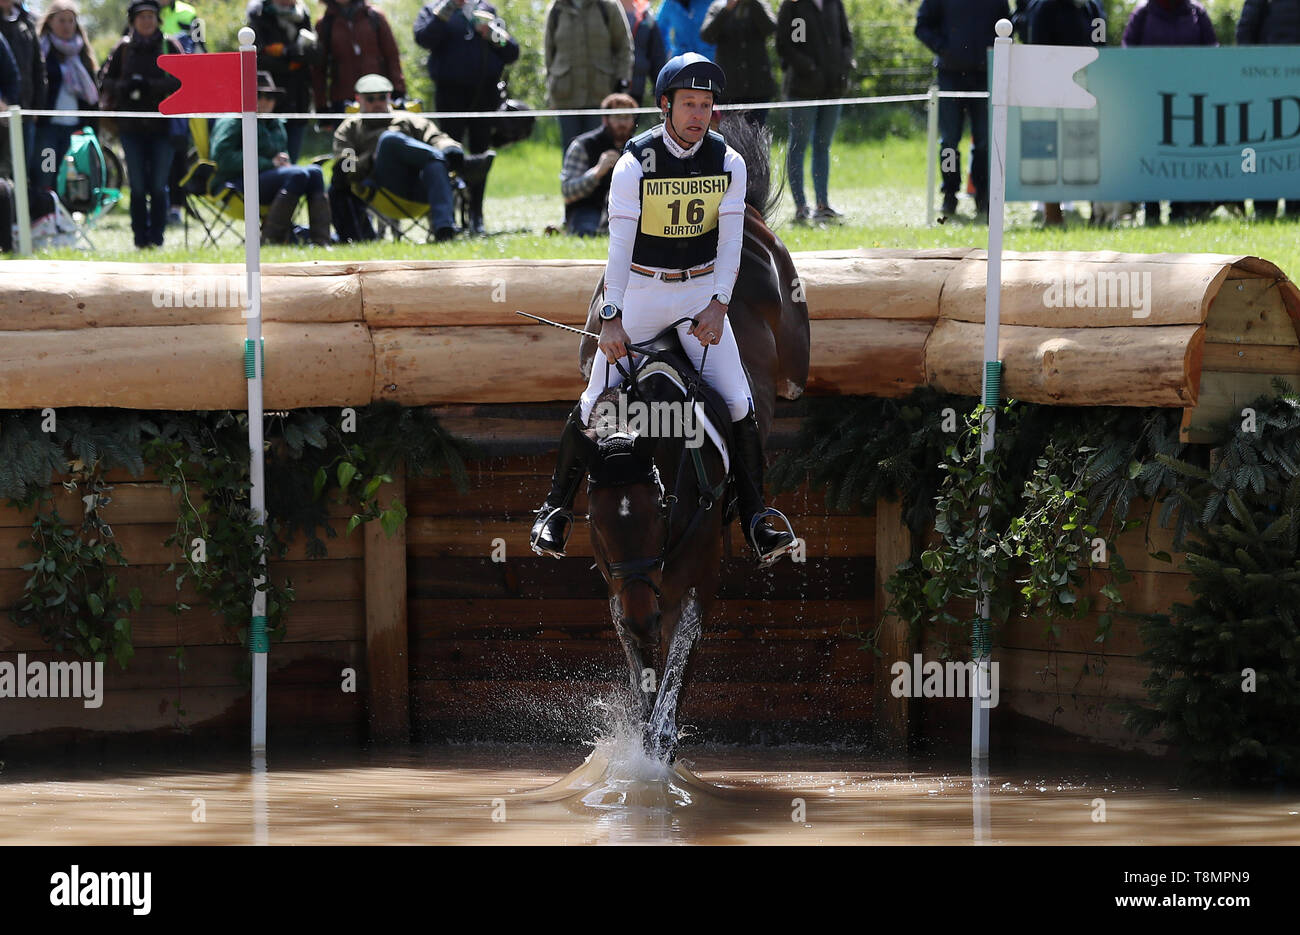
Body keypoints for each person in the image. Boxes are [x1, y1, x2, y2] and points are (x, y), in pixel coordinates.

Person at [530, 53, 798, 567]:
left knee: (740, 401)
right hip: (642, 294)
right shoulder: (635, 162)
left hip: (699, 292)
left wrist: (719, 306)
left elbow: (729, 242)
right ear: (665, 107)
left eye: (706, 105)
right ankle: (555, 511)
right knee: (591, 403)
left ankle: (758, 517)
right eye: (688, 104)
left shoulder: (728, 162)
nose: (698, 114)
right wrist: (612, 316)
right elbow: (620, 243)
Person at [331, 73, 491, 242]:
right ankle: (463, 166)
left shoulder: (408, 119)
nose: (377, 103)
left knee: (434, 164)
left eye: (381, 97)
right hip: (383, 189)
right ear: (359, 99)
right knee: (389, 140)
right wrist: (371, 159)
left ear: (389, 97)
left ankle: (444, 230)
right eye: (370, 99)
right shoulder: (349, 128)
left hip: (421, 187)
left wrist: (451, 149)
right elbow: (346, 166)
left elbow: (437, 138)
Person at [414, 0, 518, 234]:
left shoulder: (487, 11)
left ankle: (476, 215)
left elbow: (510, 51)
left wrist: (491, 34)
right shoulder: (434, 9)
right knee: (449, 154)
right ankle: (447, 217)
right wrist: (446, 12)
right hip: (450, 96)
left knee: (482, 157)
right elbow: (424, 38)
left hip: (485, 96)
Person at [1122, 0, 1216, 225]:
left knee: (1182, 151)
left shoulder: (1197, 12)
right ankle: (1151, 209)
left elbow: (1213, 52)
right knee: (1150, 151)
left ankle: (1180, 208)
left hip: (1187, 97)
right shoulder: (1143, 13)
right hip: (1150, 97)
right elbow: (1127, 51)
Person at [915, 0, 1009, 223]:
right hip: (950, 75)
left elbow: (1008, 24)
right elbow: (922, 26)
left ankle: (983, 193)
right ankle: (949, 193)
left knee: (985, 140)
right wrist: (944, 48)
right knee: (949, 141)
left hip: (984, 74)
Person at [98, 0, 183, 248]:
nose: (147, 21)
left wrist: (151, 87)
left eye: (151, 16)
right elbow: (104, 81)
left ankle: (157, 238)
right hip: (131, 128)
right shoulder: (123, 48)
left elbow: (182, 80)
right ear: (133, 21)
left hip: (163, 128)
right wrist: (126, 86)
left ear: (158, 19)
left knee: (158, 185)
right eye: (142, 17)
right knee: (136, 185)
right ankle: (139, 239)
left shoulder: (170, 45)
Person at [211, 71, 330, 245]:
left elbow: (280, 154)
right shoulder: (233, 120)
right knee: (297, 174)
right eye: (259, 95)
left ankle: (321, 242)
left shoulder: (276, 123)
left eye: (271, 96)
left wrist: (282, 161)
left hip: (270, 180)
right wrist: (268, 163)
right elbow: (222, 158)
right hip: (235, 183)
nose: (266, 101)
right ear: (247, 96)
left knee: (315, 172)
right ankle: (270, 239)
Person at [1025, 0, 1104, 227]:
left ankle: (1096, 212)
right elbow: (1037, 53)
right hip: (1055, 90)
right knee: (1052, 151)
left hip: (1088, 87)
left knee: (1090, 148)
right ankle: (1052, 214)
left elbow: (1102, 46)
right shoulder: (1043, 8)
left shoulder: (1092, 8)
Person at [777, 0, 854, 224]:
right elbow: (785, 45)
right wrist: (809, 69)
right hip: (802, 89)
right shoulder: (792, 5)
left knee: (823, 145)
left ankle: (823, 204)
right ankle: (801, 206)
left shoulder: (834, 3)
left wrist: (844, 63)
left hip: (833, 88)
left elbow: (846, 38)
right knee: (798, 146)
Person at [1236, 0, 1300, 219]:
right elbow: (1245, 32)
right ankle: (1265, 206)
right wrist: (1252, 70)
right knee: (1265, 144)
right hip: (1265, 81)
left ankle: (1295, 206)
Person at [543, 0, 633, 151]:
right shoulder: (556, 9)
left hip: (601, 94)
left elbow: (624, 48)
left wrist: (622, 84)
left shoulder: (608, 6)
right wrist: (551, 90)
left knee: (598, 148)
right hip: (566, 95)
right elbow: (549, 54)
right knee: (570, 149)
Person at [34, 0, 98, 192]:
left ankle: (66, 215)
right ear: (50, 22)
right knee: (47, 172)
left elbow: (92, 95)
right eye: (61, 20)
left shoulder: (82, 53)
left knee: (69, 174)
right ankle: (46, 214)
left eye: (71, 21)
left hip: (75, 128)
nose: (67, 26)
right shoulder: (41, 51)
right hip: (48, 127)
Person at [247, 0, 320, 162]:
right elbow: (255, 58)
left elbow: (315, 54)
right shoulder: (258, 14)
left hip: (298, 100)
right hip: (268, 103)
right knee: (268, 161)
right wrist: (289, 57)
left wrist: (294, 54)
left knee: (291, 161)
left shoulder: (303, 15)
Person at [313, 0, 405, 119]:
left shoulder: (374, 16)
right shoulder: (325, 23)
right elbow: (319, 68)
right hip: (342, 99)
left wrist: (398, 91)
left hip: (377, 96)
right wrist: (321, 106)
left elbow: (392, 56)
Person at [561, 91, 637, 235]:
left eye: (627, 117)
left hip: (628, 210)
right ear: (605, 119)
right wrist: (597, 172)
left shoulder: (640, 149)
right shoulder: (583, 145)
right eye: (617, 117)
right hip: (587, 209)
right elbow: (567, 192)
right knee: (586, 232)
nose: (622, 123)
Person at [700, 0, 776, 126]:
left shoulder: (759, 4)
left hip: (758, 87)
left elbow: (770, 28)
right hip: (729, 90)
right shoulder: (718, 6)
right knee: (730, 138)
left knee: (757, 137)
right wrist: (726, 10)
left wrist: (754, 4)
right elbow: (707, 35)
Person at [0, 0, 47, 173]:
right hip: (2, 113)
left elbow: (38, 67)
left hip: (25, 112)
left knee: (21, 173)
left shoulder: (27, 22)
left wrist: (36, 107)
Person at [622, 0, 666, 105]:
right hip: (607, 88)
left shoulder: (646, 15)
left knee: (633, 121)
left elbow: (657, 56)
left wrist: (660, 90)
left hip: (636, 88)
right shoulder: (602, 9)